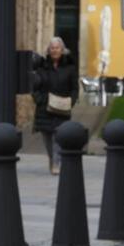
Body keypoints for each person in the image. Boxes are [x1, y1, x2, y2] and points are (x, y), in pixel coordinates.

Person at [32, 36, 78, 175]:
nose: (54, 50)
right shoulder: (42, 67)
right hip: (44, 108)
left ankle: (56, 163)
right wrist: (40, 99)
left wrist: (71, 101)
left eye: (57, 48)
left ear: (62, 50)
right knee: (47, 137)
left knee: (58, 136)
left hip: (62, 108)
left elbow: (74, 88)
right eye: (52, 48)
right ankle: (53, 159)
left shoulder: (70, 68)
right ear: (49, 50)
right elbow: (34, 87)